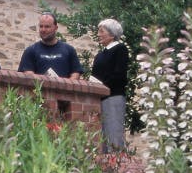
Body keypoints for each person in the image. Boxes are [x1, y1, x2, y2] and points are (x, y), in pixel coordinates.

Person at [90, 18, 129, 152]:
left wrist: (102, 86)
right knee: (100, 137)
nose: (99, 34)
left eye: (102, 31)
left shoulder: (120, 49)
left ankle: (117, 167)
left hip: (113, 97)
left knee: (113, 136)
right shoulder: (99, 55)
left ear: (112, 34)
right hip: (99, 98)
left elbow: (119, 76)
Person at [17, 13, 82, 79]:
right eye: (41, 26)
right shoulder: (30, 51)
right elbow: (28, 76)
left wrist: (65, 86)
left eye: (47, 26)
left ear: (56, 28)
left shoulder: (69, 50)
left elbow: (76, 73)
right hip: (38, 89)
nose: (43, 30)